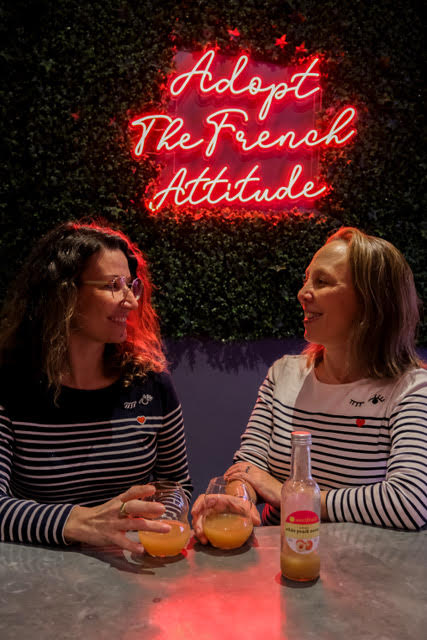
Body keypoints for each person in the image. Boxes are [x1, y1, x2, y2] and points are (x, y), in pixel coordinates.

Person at [192, 226, 427, 538]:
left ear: (370, 302)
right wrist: (240, 502)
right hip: (281, 563)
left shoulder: (411, 388)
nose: (303, 293)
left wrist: (293, 497)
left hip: (365, 571)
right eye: (306, 279)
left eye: (322, 282)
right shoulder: (284, 374)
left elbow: (409, 501)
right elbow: (247, 467)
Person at [0, 220, 192, 552]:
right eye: (112, 285)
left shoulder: (151, 383)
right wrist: (78, 522)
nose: (130, 301)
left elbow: (178, 486)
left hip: (131, 570)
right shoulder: (10, 385)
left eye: (131, 285)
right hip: (39, 579)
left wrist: (175, 513)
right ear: (64, 293)